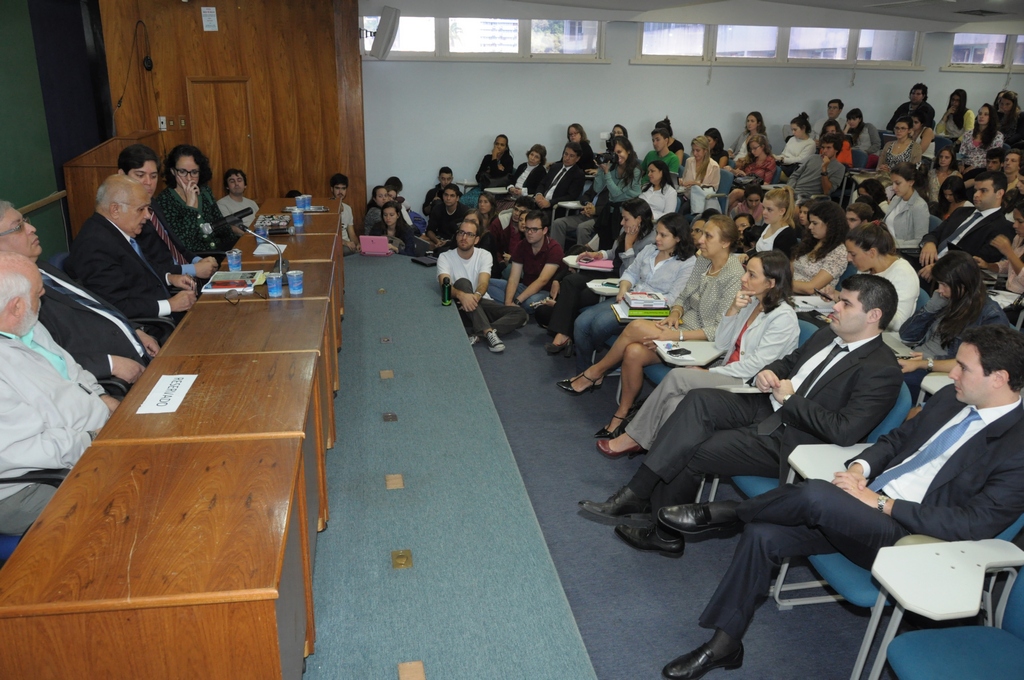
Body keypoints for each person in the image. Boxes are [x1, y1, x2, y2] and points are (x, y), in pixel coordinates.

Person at [651, 324, 1024, 680]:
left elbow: (974, 523)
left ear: (1000, 377)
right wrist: (862, 467)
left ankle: (731, 513)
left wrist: (882, 504)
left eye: (963, 367)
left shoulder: (1017, 446)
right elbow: (896, 440)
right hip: (859, 509)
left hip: (911, 538)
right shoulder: (950, 398)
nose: (952, 373)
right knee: (764, 534)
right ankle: (724, 644)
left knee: (814, 492)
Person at [580, 275, 902, 557]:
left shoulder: (883, 370)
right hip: (768, 405)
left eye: (846, 304)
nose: (835, 307)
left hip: (795, 440)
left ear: (873, 315)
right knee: (697, 400)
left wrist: (790, 399)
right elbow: (789, 362)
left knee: (695, 447)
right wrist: (768, 372)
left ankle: (662, 532)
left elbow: (843, 431)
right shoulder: (826, 334)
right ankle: (640, 492)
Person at [598, 250, 800, 458]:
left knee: (677, 376)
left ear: (771, 283)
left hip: (747, 386)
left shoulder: (783, 318)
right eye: (746, 272)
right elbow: (721, 343)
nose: (743, 278)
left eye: (751, 275)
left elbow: (756, 367)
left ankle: (632, 438)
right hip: (728, 374)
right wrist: (732, 309)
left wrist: (710, 372)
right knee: (676, 403)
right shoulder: (752, 304)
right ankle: (659, 463)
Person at [558, 215, 742, 412]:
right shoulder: (703, 262)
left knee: (633, 326)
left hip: (703, 343)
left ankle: (594, 373)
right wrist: (675, 313)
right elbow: (682, 297)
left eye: (708, 236)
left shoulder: (734, 276)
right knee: (633, 351)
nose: (700, 240)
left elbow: (719, 330)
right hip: (679, 324)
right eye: (702, 234)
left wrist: (677, 334)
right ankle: (622, 413)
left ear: (725, 243)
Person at [0, 252, 118, 534]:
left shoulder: (28, 325)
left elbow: (74, 371)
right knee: (128, 500)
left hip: (93, 437)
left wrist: (104, 399)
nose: (43, 300)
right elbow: (29, 450)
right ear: (16, 306)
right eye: (38, 294)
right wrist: (93, 439)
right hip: (32, 485)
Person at [0, 201, 158, 383]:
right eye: (18, 227)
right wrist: (109, 364)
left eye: (25, 221)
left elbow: (95, 306)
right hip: (112, 378)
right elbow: (44, 361)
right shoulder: (13, 297)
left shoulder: (42, 268)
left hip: (138, 349)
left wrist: (134, 330)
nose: (32, 228)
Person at [545, 210, 693, 359]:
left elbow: (674, 297)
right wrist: (623, 289)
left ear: (678, 237)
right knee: (580, 322)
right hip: (628, 299)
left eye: (663, 235)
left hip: (650, 310)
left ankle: (596, 367)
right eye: (657, 233)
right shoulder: (650, 250)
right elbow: (631, 273)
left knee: (599, 325)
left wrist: (643, 300)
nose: (657, 238)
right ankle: (585, 369)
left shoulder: (687, 263)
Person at [67, 175, 197, 321]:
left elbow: (137, 272)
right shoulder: (94, 244)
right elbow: (114, 305)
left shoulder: (118, 231)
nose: (148, 215)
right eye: (141, 209)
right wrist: (170, 305)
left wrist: (169, 278)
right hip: (153, 326)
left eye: (148, 208)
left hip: (162, 307)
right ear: (115, 210)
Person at [899, 251, 1009, 400]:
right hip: (920, 360)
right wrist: (931, 308)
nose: (940, 289)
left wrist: (927, 363)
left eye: (945, 284)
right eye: (939, 283)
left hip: (940, 374)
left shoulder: (990, 316)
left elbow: (980, 363)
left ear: (964, 283)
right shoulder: (947, 299)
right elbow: (906, 336)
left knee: (885, 380)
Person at [116, 144, 218, 281]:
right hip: (170, 283)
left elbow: (177, 246)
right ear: (122, 175)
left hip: (190, 272)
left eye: (153, 176)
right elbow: (148, 267)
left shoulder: (153, 204)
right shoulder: (125, 217)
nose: (148, 182)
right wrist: (194, 269)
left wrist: (198, 260)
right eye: (140, 175)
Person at [437, 216, 527, 353]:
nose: (464, 237)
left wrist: (475, 297)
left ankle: (477, 335)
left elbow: (484, 283)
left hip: (480, 301)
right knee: (462, 282)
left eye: (469, 234)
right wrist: (462, 296)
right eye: (461, 233)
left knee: (520, 313)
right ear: (456, 236)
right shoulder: (445, 257)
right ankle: (488, 332)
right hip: (459, 306)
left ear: (477, 239)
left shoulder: (484, 255)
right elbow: (445, 285)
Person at [918, 171, 1013, 279]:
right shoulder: (961, 211)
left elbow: (975, 261)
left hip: (951, 275)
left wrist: (939, 267)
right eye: (975, 190)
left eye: (983, 191)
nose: (976, 195)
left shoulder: (1003, 227)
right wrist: (929, 243)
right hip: (927, 259)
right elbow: (935, 233)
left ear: (999, 193)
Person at [153, 144, 234, 252]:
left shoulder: (205, 191)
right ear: (173, 171)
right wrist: (190, 207)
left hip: (219, 251)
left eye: (194, 172)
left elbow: (222, 227)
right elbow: (182, 244)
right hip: (195, 259)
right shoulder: (164, 200)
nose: (189, 178)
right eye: (182, 172)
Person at [844, 223, 920, 331]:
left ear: (872, 252)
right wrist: (836, 296)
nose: (849, 259)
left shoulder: (903, 274)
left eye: (853, 254)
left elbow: (898, 324)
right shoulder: (866, 267)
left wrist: (864, 305)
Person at [489, 210, 564, 314]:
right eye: (527, 229)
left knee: (530, 302)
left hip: (544, 291)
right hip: (524, 286)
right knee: (487, 284)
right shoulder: (522, 245)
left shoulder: (554, 248)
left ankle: (512, 308)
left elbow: (542, 280)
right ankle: (512, 309)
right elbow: (514, 278)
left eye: (534, 229)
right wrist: (508, 302)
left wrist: (517, 300)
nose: (529, 233)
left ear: (545, 230)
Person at [975, 195, 1024, 323]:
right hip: (1008, 295)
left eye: (1020, 221)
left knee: (984, 316)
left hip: (1020, 303)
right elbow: (1010, 265)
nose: (1014, 225)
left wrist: (1008, 252)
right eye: (1014, 220)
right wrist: (988, 265)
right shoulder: (1019, 239)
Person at [591, 136, 643, 246]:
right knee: (605, 246)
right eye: (614, 153)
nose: (617, 156)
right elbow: (597, 188)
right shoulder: (612, 167)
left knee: (619, 248)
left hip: (628, 214)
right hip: (610, 212)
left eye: (619, 152)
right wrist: (601, 170)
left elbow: (617, 193)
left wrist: (606, 173)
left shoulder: (636, 170)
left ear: (628, 151)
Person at [791, 200, 850, 294]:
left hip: (813, 302)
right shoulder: (812, 241)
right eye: (810, 222)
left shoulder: (838, 252)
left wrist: (780, 284)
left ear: (830, 224)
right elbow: (792, 268)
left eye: (815, 223)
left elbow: (811, 288)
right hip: (792, 293)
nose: (810, 227)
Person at [787, 132, 845, 200]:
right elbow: (795, 176)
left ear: (836, 150)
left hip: (810, 198)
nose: (824, 151)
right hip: (793, 193)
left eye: (828, 148)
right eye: (823, 147)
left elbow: (827, 191)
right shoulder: (812, 158)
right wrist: (790, 189)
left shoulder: (839, 168)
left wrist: (824, 170)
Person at [727, 134, 776, 211]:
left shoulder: (770, 162)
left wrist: (747, 177)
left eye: (755, 148)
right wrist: (733, 171)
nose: (752, 151)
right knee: (734, 204)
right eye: (751, 149)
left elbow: (766, 183)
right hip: (744, 187)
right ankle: (727, 220)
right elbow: (739, 173)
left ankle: (718, 213)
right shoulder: (751, 159)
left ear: (762, 146)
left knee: (736, 193)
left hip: (757, 191)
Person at [884, 162, 930, 244]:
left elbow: (920, 241)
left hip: (901, 251)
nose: (893, 187)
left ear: (911, 182)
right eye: (892, 183)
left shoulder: (920, 206)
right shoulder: (896, 199)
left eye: (898, 183)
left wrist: (892, 245)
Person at [533, 142, 586, 212]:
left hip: (555, 208)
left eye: (571, 156)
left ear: (577, 159)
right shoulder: (555, 167)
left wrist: (550, 203)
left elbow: (570, 196)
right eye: (566, 154)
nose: (567, 158)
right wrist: (539, 194)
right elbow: (543, 183)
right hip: (539, 203)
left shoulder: (578, 174)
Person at [959, 103, 1004, 180]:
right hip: (966, 166)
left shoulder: (998, 136)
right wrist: (960, 164)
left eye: (986, 114)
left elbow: (994, 158)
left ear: (991, 117)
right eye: (980, 113)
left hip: (984, 168)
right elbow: (961, 153)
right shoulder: (968, 134)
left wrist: (974, 167)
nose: (981, 116)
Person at [750, 186, 799, 258]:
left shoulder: (787, 236)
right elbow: (757, 250)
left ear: (782, 211)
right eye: (763, 208)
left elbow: (779, 265)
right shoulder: (767, 225)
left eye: (769, 209)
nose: (764, 212)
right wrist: (746, 255)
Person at [679, 136, 722, 215]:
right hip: (686, 195)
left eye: (698, 150)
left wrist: (697, 184)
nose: (695, 153)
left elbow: (714, 188)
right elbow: (684, 178)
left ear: (705, 151)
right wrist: (681, 181)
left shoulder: (713, 166)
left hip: (701, 199)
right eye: (693, 150)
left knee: (682, 208)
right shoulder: (689, 161)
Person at [425, 184, 469, 250]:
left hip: (456, 242)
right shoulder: (437, 209)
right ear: (443, 196)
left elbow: (466, 234)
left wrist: (448, 242)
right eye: (446, 195)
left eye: (452, 196)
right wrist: (437, 241)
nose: (448, 198)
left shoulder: (465, 211)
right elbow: (430, 230)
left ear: (457, 198)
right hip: (439, 240)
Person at [330, 173, 358, 255]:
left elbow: (352, 233)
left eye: (343, 188)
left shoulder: (348, 208)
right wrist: (345, 243)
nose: (340, 192)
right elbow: (328, 236)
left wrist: (358, 244)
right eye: (337, 188)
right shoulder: (327, 208)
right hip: (336, 244)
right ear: (332, 189)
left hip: (349, 245)